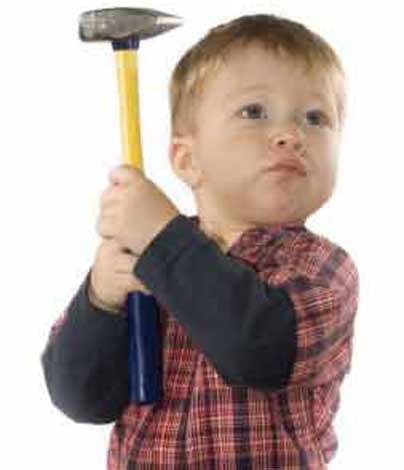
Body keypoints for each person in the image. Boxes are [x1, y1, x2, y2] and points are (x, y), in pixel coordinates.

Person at [41, 13, 360, 469]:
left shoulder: (323, 271)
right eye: (254, 112)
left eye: (316, 117)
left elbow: (257, 348)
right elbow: (81, 398)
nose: (292, 135)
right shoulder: (150, 256)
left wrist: (159, 236)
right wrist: (101, 300)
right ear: (187, 160)